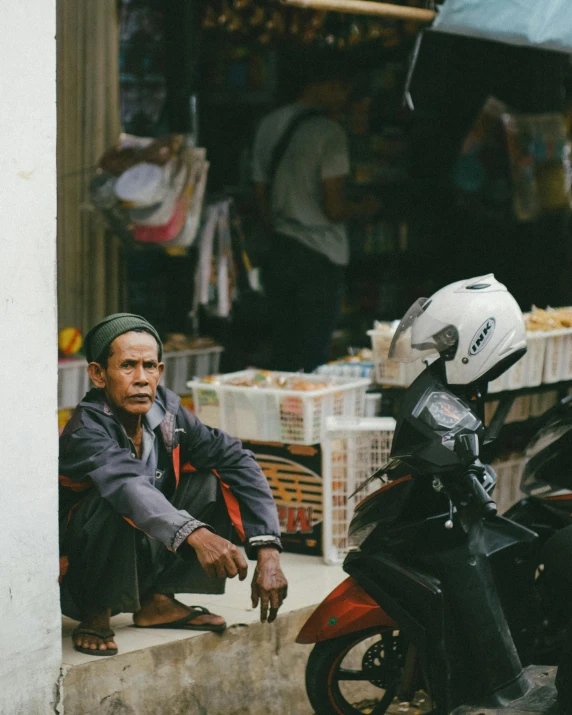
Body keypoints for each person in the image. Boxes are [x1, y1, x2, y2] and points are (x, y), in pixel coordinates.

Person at [59, 313, 288, 656]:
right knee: (112, 501)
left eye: (149, 366)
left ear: (160, 372)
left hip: (144, 544)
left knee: (208, 482)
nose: (141, 379)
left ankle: (158, 601)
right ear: (98, 374)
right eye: (128, 366)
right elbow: (127, 485)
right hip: (83, 563)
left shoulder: (168, 412)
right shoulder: (86, 428)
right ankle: (96, 611)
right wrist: (197, 534)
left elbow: (236, 458)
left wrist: (268, 549)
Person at [252, 52, 380, 372]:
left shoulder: (269, 124)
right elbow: (334, 207)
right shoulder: (329, 132)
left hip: (281, 248)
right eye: (344, 89)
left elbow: (260, 192)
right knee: (312, 354)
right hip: (319, 255)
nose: (346, 98)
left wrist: (276, 232)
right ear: (327, 86)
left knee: (283, 347)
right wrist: (364, 208)